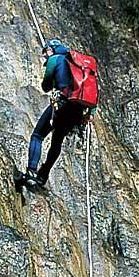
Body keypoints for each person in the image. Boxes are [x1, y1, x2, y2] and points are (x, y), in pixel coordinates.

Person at [16, 39, 91, 190]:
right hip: (78, 111)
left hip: (62, 105)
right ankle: (42, 176)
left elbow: (46, 85)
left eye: (45, 53)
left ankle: (31, 173)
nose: (45, 56)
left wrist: (53, 77)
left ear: (51, 49)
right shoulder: (80, 65)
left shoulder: (55, 59)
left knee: (38, 135)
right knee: (57, 141)